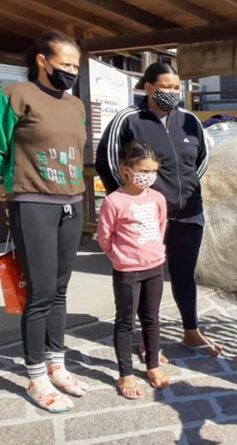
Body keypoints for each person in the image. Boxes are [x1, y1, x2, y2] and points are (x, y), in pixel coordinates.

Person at [95, 62, 219, 357]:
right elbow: (108, 161)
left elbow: (201, 161)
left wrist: (183, 190)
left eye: (176, 87)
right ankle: (149, 341)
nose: (172, 92)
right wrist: (131, 201)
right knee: (146, 276)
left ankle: (191, 331)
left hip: (188, 212)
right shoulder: (128, 119)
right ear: (149, 88)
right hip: (143, 218)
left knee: (184, 274)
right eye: (166, 86)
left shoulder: (189, 121)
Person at [0, 33, 89, 413]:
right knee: (39, 293)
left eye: (75, 66)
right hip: (32, 201)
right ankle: (35, 375)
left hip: (72, 202)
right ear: (42, 60)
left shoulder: (76, 105)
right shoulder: (16, 95)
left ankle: (57, 364)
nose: (71, 71)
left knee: (60, 289)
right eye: (65, 64)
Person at [97, 141, 171, 399]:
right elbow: (105, 236)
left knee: (151, 318)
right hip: (127, 271)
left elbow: (161, 226)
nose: (148, 176)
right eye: (143, 170)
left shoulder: (158, 198)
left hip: (154, 267)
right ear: (126, 169)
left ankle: (153, 365)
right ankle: (125, 373)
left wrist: (154, 253)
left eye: (153, 171)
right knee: (125, 321)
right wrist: (119, 257)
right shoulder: (114, 201)